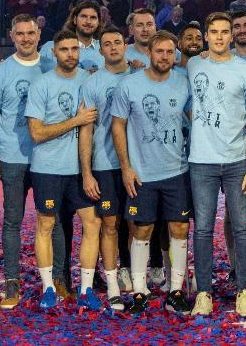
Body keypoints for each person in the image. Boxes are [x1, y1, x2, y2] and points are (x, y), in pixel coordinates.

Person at [186, 12, 246, 316]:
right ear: (206, 36)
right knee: (203, 229)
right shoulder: (193, 65)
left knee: (242, 228)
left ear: (231, 36)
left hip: (237, 161)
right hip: (201, 161)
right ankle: (204, 293)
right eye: (214, 32)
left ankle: (244, 291)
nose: (219, 37)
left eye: (224, 32)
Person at [110, 30, 194, 315]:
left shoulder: (183, 83)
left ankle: (176, 291)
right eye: (160, 51)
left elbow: (194, 119)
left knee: (179, 228)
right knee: (142, 230)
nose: (165, 56)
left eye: (170, 52)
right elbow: (118, 125)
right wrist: (126, 167)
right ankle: (139, 292)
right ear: (149, 53)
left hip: (177, 171)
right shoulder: (129, 85)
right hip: (142, 174)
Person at [27, 30, 102, 311]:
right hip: (48, 168)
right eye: (65, 49)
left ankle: (86, 289)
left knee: (92, 223)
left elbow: (91, 125)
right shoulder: (42, 84)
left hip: (80, 169)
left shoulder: (89, 81)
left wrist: (87, 170)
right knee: (45, 225)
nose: (71, 54)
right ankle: (49, 288)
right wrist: (75, 120)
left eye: (74, 49)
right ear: (54, 52)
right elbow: (36, 133)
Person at [0, 14, 49, 309]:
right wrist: (8, 141)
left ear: (38, 35)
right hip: (13, 158)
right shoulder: (0, 72)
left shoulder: (50, 66)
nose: (25, 38)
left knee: (51, 220)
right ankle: (12, 281)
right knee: (12, 221)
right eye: (20, 33)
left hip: (47, 158)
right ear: (12, 36)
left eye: (30, 33)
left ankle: (56, 280)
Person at [78, 26, 132, 311]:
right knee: (109, 225)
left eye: (117, 42)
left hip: (139, 165)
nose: (113, 47)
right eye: (107, 44)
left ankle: (136, 281)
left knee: (138, 225)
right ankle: (113, 287)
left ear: (126, 46)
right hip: (105, 165)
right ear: (101, 51)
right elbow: (86, 130)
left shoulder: (139, 76)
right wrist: (87, 172)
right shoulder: (92, 83)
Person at [40, 0, 102, 72]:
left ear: (98, 22)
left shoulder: (107, 50)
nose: (88, 21)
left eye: (93, 17)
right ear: (75, 20)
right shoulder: (50, 48)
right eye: (84, 16)